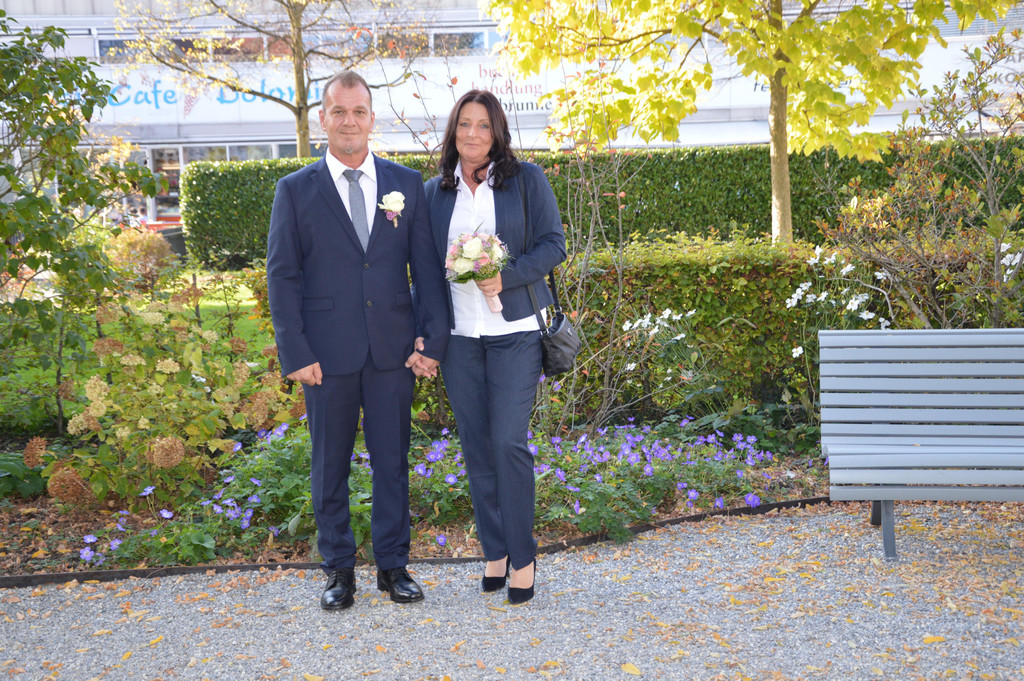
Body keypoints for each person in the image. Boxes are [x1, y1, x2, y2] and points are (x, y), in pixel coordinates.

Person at [266, 71, 450, 611]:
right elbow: (283, 276)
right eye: (339, 111)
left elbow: (426, 270)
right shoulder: (295, 190)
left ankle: (393, 566)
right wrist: (295, 351)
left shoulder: (405, 184)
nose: (350, 121)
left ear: (372, 118)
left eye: (359, 111)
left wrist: (431, 340)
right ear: (323, 118)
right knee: (330, 465)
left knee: (392, 462)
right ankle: (338, 570)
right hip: (325, 356)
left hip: (394, 350)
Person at [424, 90, 567, 604]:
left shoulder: (525, 179)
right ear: (453, 132)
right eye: (464, 124)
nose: (473, 134)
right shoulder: (434, 192)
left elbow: (553, 244)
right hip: (460, 339)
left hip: (516, 333)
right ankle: (495, 551)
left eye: (483, 125)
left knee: (507, 442)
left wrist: (505, 276)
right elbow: (424, 270)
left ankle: (523, 556)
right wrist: (426, 333)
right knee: (477, 448)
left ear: (497, 132)